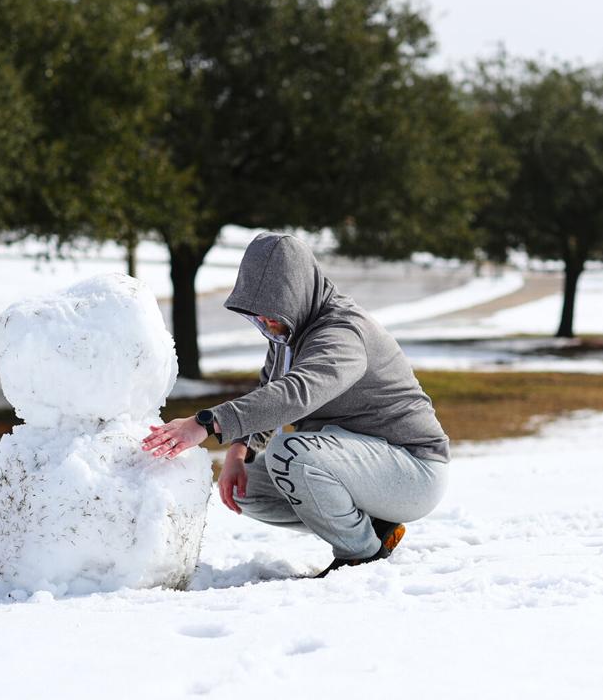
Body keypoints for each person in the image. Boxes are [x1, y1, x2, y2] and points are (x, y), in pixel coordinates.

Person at [142, 232, 450, 577]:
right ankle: (377, 527)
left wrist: (208, 422)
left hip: (413, 471)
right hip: (362, 467)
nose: (265, 323)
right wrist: (240, 449)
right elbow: (270, 386)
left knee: (289, 454)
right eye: (257, 316)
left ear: (298, 294)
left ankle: (360, 556)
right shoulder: (290, 331)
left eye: (272, 313)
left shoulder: (342, 332)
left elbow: (297, 393)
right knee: (249, 489)